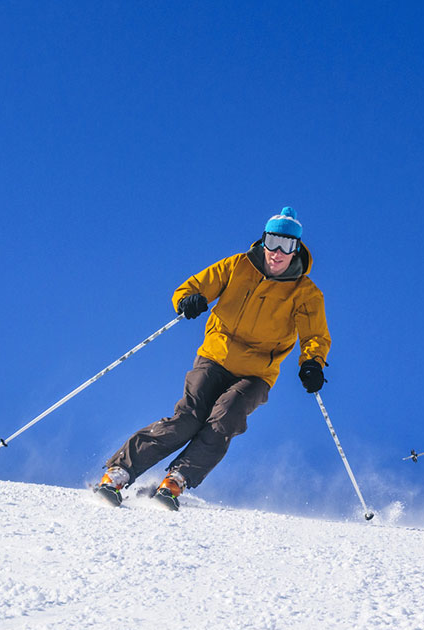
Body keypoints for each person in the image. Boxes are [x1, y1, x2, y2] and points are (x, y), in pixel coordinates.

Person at [94, 207, 331, 510]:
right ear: (263, 240)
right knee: (188, 419)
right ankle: (119, 471)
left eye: (286, 245)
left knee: (226, 417)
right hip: (215, 356)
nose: (276, 252)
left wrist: (312, 363)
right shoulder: (238, 266)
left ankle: (177, 480)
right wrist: (187, 300)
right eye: (272, 241)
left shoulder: (305, 293)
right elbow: (193, 285)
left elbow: (315, 336)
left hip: (257, 373)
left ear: (296, 248)